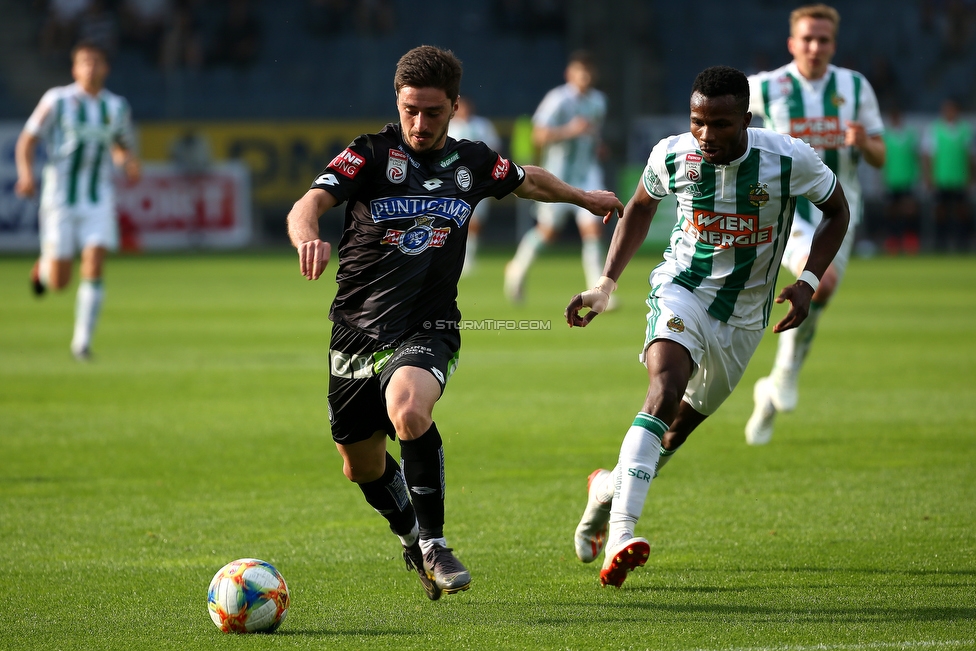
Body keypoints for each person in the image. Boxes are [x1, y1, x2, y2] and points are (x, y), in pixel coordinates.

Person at [286, 45, 622, 601]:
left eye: (433, 112)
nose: (419, 123)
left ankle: (436, 543)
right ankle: (411, 535)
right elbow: (308, 203)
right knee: (360, 465)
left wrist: (583, 197)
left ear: (454, 108)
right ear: (397, 102)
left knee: (409, 410)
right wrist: (307, 238)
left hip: (427, 327)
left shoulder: (471, 163)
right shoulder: (369, 155)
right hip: (354, 330)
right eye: (409, 110)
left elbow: (529, 180)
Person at [565, 65, 850, 588]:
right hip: (681, 288)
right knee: (663, 388)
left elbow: (837, 210)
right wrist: (606, 282)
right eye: (698, 121)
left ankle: (606, 489)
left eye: (720, 124)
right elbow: (640, 207)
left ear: (745, 118)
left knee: (675, 431)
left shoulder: (788, 159)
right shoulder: (673, 153)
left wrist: (808, 280)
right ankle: (625, 532)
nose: (706, 135)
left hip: (744, 316)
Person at [743, 3, 885, 445]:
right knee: (817, 285)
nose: (815, 46)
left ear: (833, 45)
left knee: (818, 298)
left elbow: (880, 156)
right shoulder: (766, 87)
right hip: (786, 212)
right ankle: (781, 379)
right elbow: (719, 124)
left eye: (823, 40)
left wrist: (865, 143)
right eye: (807, 38)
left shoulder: (855, 87)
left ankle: (773, 387)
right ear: (792, 43)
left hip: (840, 210)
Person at [15, 40, 141, 361]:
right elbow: (27, 140)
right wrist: (27, 175)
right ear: (74, 68)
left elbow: (120, 145)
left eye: (96, 61)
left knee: (95, 260)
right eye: (85, 61)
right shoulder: (56, 100)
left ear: (106, 68)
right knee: (58, 282)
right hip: (59, 198)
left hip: (98, 197)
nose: (91, 67)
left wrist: (127, 162)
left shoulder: (116, 107)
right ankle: (43, 269)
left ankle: (81, 344)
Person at [504, 50, 610, 305]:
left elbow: (593, 135)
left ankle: (597, 291)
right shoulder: (558, 100)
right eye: (579, 71)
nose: (585, 76)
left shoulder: (598, 101)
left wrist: (597, 146)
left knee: (593, 229)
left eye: (588, 71)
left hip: (587, 173)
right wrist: (570, 131)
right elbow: (538, 135)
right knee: (548, 233)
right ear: (570, 74)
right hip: (559, 175)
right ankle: (516, 268)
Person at [447, 95, 502, 276]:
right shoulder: (449, 127)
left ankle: (469, 259)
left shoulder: (482, 125)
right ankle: (451, 257)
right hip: (452, 182)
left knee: (476, 221)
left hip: (478, 181)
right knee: (453, 220)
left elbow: (495, 150)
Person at [921, 98, 975, 252]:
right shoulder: (934, 128)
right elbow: (927, 155)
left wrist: (972, 177)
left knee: (962, 211)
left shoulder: (966, 130)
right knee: (940, 211)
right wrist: (928, 176)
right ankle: (941, 243)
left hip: (960, 177)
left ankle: (962, 243)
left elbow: (970, 156)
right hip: (941, 178)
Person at [881, 106, 921, 255]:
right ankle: (893, 240)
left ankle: (910, 239)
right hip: (891, 180)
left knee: (909, 211)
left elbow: (916, 156)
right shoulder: (886, 136)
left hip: (907, 179)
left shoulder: (911, 135)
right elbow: (883, 160)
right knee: (892, 212)